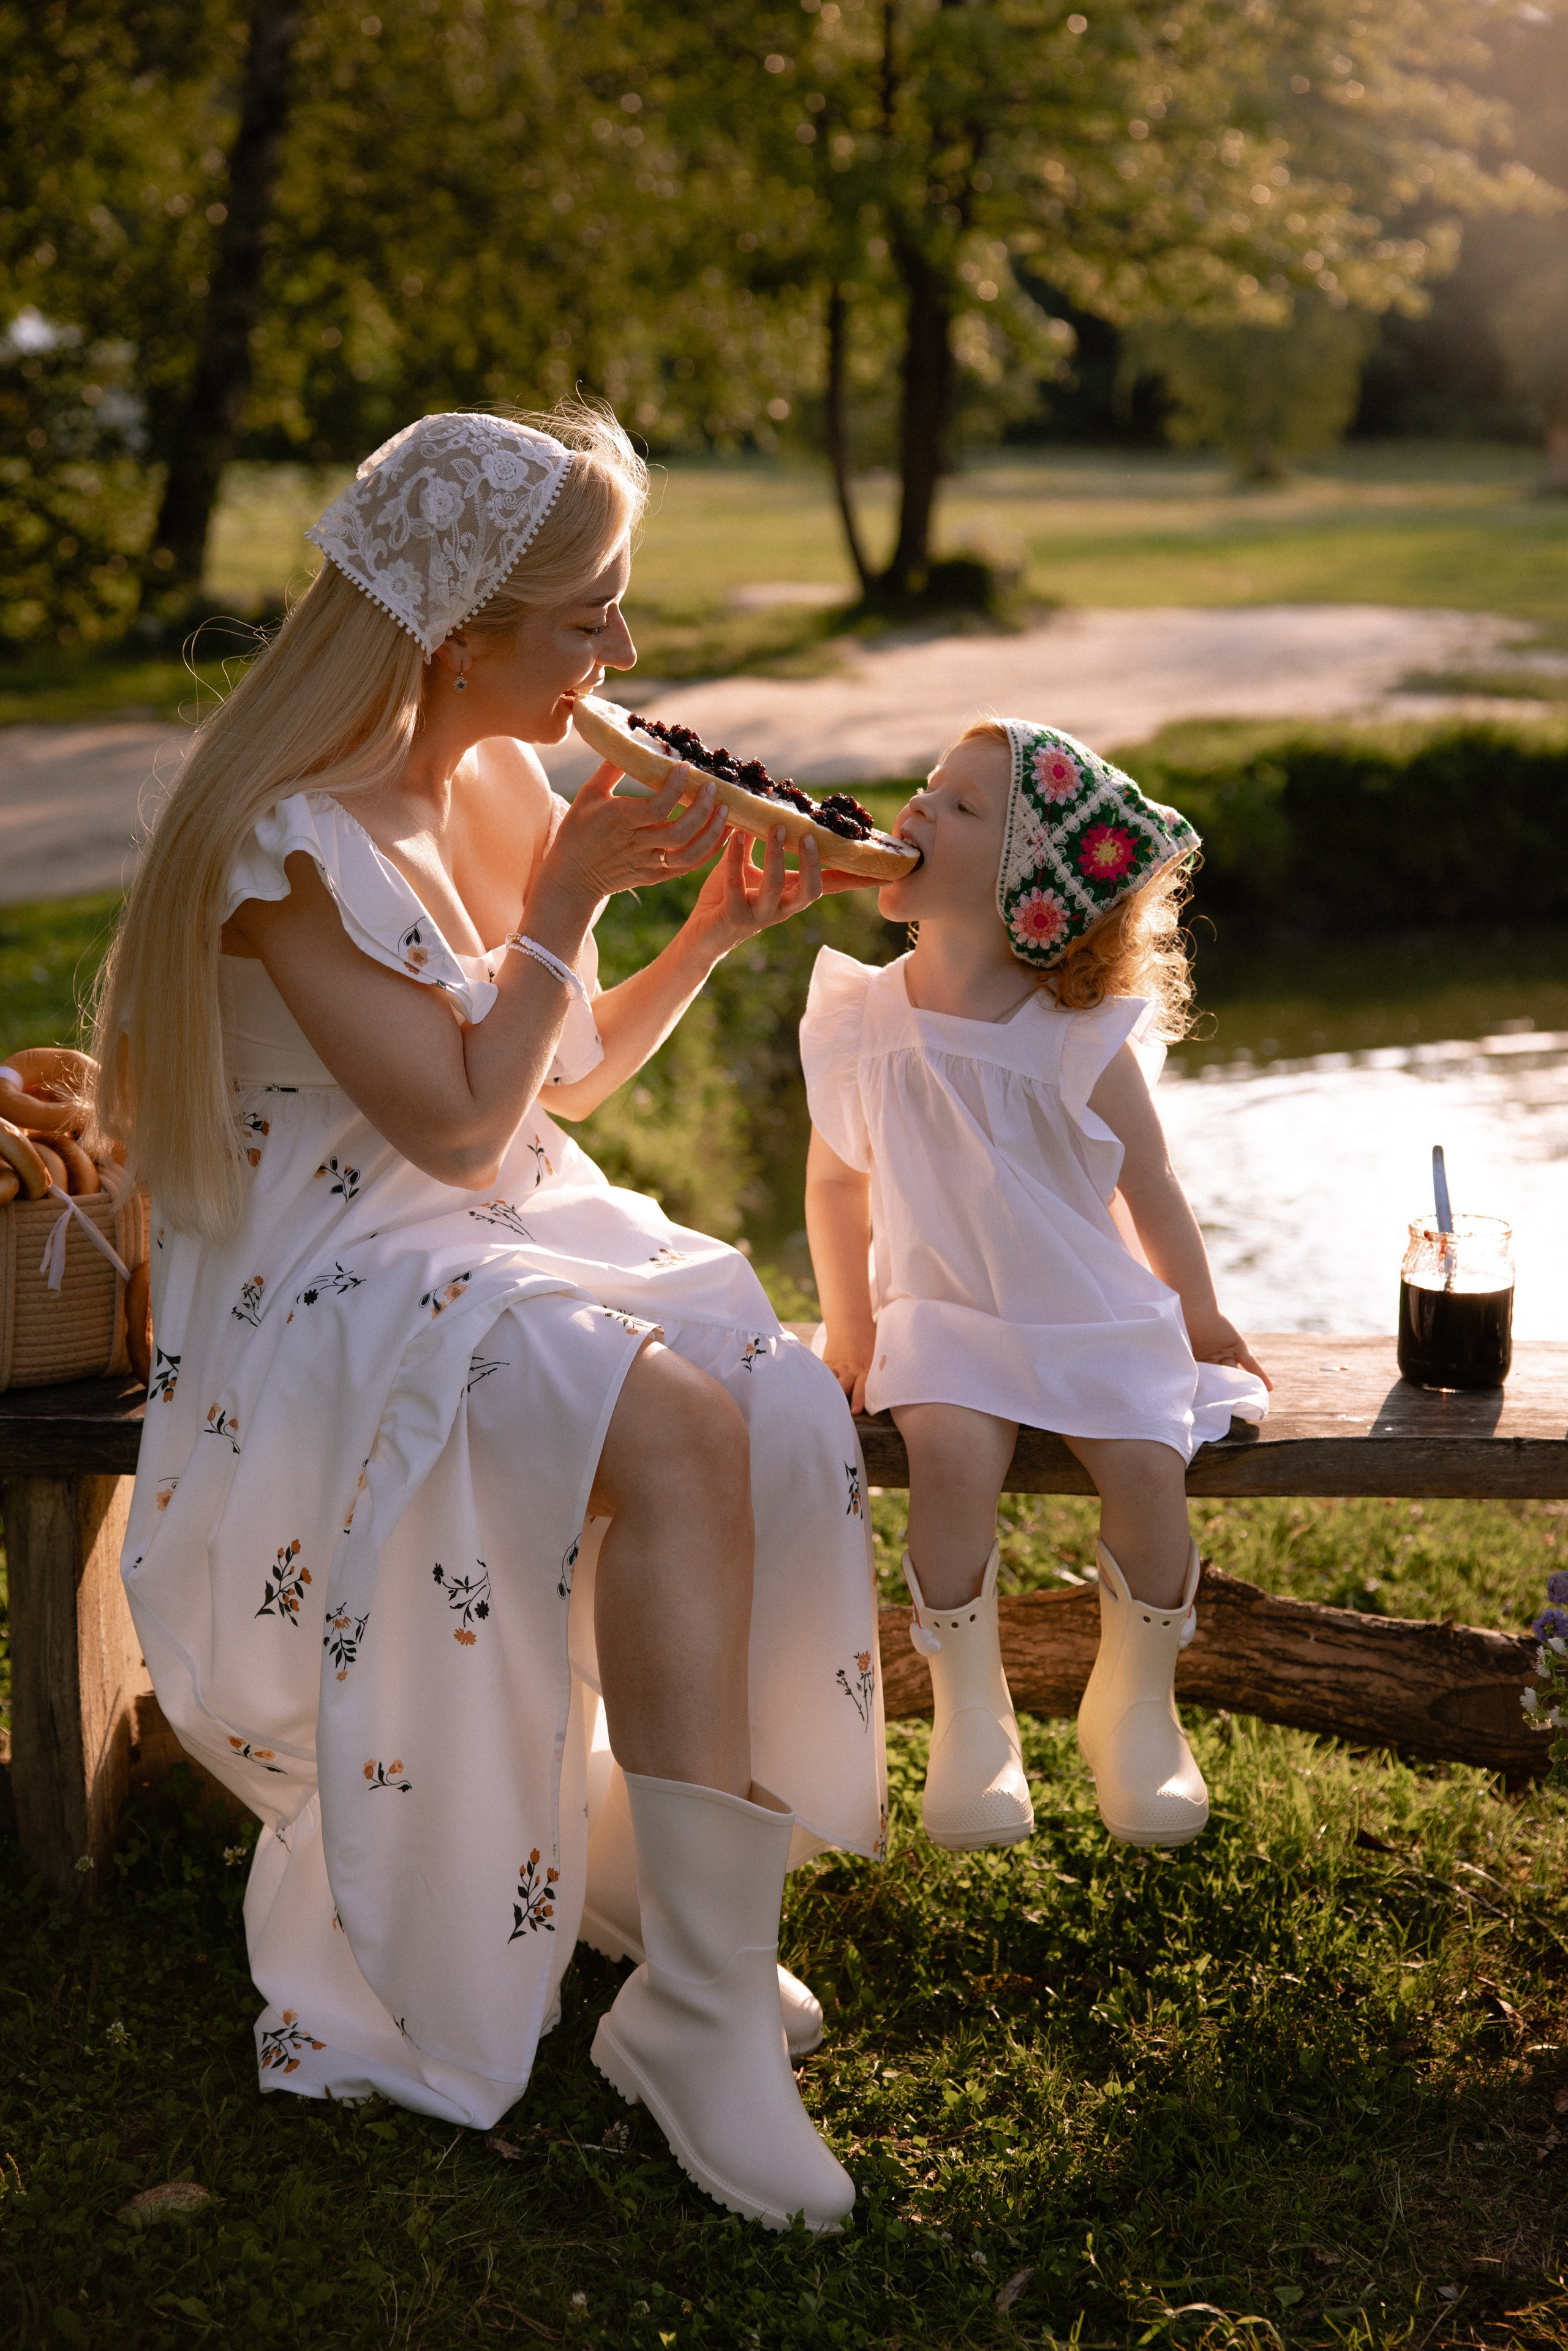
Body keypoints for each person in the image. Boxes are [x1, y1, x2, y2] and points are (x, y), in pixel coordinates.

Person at [91, 406, 886, 2235]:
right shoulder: (282, 841)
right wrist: (581, 894)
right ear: (460, 629)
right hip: (330, 1281)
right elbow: (449, 1113)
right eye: (589, 615)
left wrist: (693, 940)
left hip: (489, 1228)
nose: (621, 654)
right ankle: (692, 2005)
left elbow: (559, 1088)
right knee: (673, 1420)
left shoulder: (519, 779)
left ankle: (694, 1949)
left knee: (749, 1385)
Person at [799, 717, 1270, 1856]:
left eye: (958, 808)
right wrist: (852, 1324)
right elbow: (833, 1182)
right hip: (942, 1313)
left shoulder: (1073, 1035)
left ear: (1030, 890)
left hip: (1083, 1310)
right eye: (925, 787)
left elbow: (1152, 1186)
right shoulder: (867, 1017)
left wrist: (1198, 1315)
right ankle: (973, 1718)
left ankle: (1136, 1707)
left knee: (1150, 1467)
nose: (913, 810)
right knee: (952, 1459)